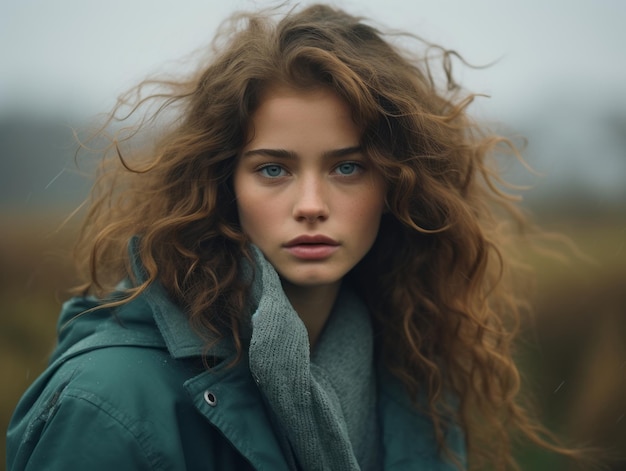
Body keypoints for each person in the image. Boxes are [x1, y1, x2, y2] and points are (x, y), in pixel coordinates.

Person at [7, 3, 579, 470]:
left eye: (347, 167)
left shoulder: (412, 373)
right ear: (222, 183)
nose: (311, 206)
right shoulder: (105, 401)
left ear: (398, 185)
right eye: (273, 169)